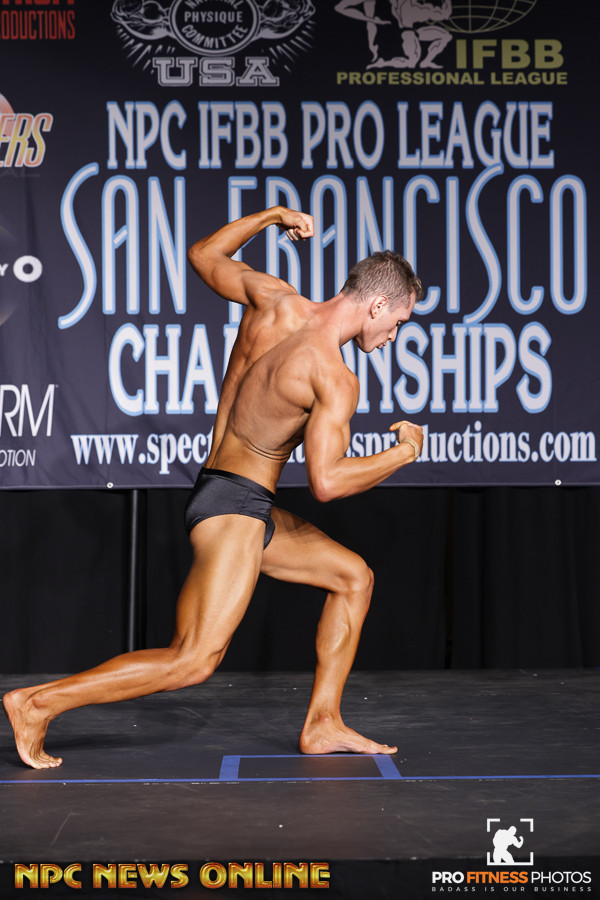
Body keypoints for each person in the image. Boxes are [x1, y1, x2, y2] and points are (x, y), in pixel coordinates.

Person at [3, 206, 423, 770]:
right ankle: (37, 703)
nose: (394, 335)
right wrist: (403, 453)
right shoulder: (334, 374)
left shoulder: (275, 302)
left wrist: (272, 216)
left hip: (230, 493)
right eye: (397, 322)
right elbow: (326, 482)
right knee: (193, 659)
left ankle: (323, 722)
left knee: (353, 577)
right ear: (376, 305)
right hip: (235, 507)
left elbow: (203, 254)